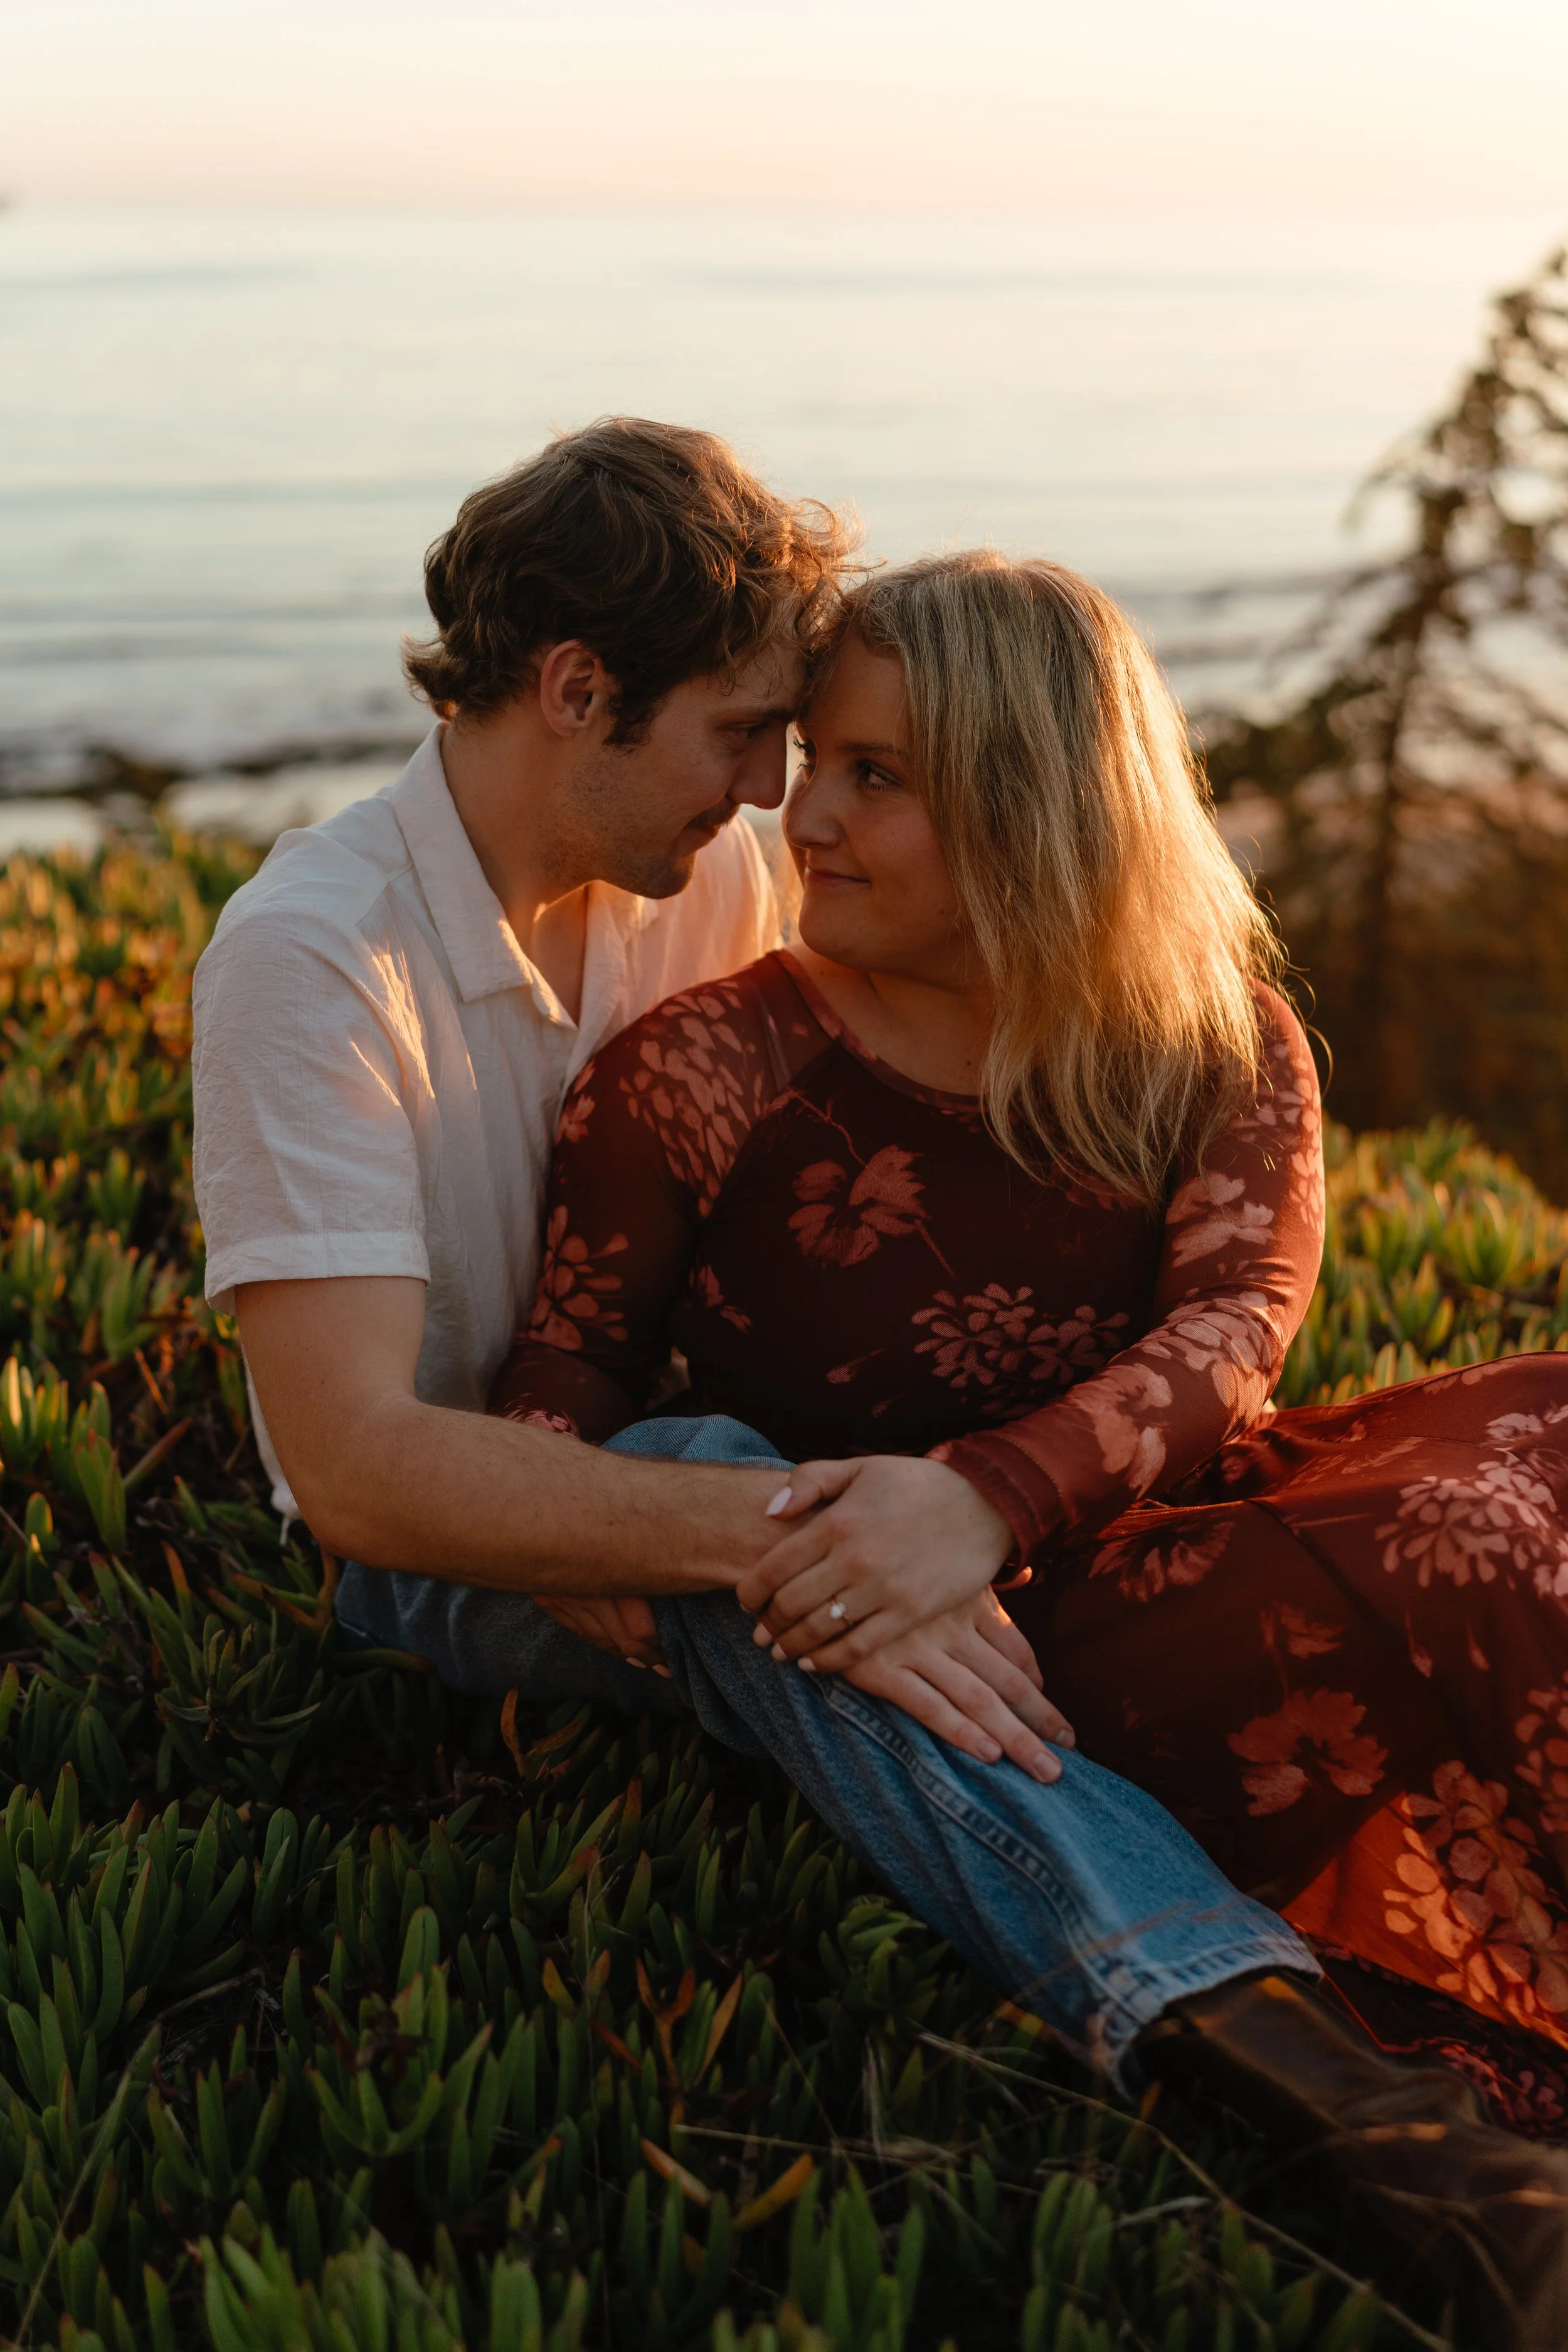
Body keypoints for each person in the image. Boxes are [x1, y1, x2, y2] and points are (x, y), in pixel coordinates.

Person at [190, 432, 1563, 2347]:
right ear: (582, 693)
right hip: (451, 1544)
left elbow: (972, 1029)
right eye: (753, 735)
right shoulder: (316, 962)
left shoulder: (702, 868)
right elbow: (357, 1477)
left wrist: (939, 1503)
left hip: (771, 1473)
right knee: (759, 1491)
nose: (781, 797)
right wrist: (826, 1536)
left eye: (821, 757)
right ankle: (1350, 2117)